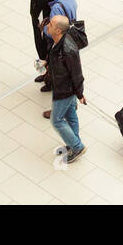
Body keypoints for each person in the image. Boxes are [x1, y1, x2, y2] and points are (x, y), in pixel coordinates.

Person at [44, 14, 88, 163]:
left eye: (50, 24)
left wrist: (80, 93)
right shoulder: (58, 41)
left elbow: (77, 73)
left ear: (58, 31)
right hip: (63, 87)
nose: (47, 25)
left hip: (64, 90)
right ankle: (73, 143)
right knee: (70, 115)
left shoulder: (68, 49)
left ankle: (76, 146)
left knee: (56, 120)